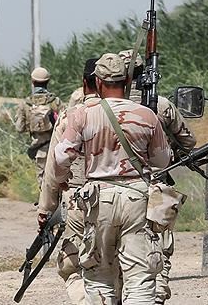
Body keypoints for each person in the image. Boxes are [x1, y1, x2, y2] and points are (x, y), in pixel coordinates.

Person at [51, 53, 171, 304]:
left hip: (98, 201)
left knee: (99, 276)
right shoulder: (147, 115)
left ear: (98, 81)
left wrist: (63, 179)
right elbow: (162, 161)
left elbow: (61, 157)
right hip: (137, 199)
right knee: (140, 277)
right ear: (126, 81)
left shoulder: (82, 114)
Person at [118, 48, 197, 304]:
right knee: (158, 245)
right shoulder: (162, 106)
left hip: (118, 188)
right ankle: (157, 294)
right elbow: (189, 140)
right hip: (157, 186)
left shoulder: (107, 107)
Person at [38, 58, 99, 305]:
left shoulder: (69, 116)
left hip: (77, 199)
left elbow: (53, 170)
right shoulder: (127, 113)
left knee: (71, 266)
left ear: (84, 83)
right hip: (122, 198)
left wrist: (45, 209)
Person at [15, 67, 64, 188]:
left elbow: (19, 128)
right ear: (48, 81)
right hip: (56, 149)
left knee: (43, 184)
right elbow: (65, 123)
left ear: (33, 81)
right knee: (59, 182)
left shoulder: (26, 103)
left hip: (39, 150)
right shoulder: (55, 102)